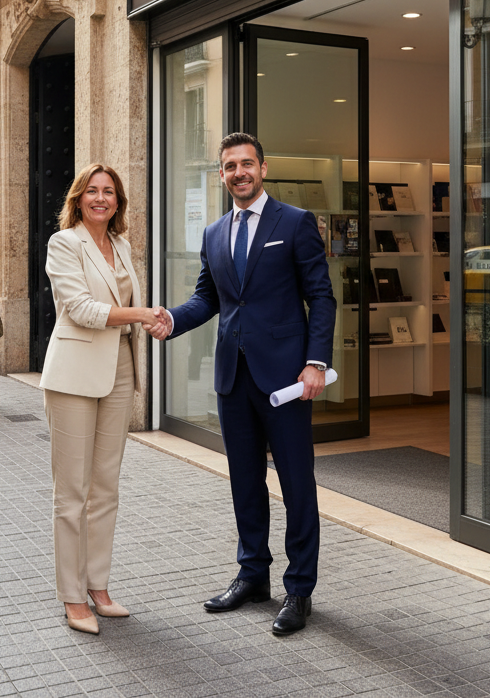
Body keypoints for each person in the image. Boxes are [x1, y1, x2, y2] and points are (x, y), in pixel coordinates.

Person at [151, 133, 336, 636]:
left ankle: (300, 589)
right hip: (233, 376)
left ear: (263, 168)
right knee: (244, 482)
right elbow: (207, 298)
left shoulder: (295, 223)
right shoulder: (214, 233)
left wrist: (316, 362)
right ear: (221, 175)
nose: (239, 173)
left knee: (297, 484)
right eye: (230, 166)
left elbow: (321, 297)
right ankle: (253, 574)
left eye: (246, 164)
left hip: (286, 380)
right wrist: (171, 319)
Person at [40, 163, 161, 636]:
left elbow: (124, 312)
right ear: (78, 198)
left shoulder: (124, 245)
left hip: (119, 369)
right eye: (92, 190)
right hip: (73, 375)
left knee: (106, 486)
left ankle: (99, 586)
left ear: (118, 201)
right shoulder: (64, 243)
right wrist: (143, 314)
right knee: (72, 492)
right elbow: (80, 309)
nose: (100, 198)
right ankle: (72, 596)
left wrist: (147, 320)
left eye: (109, 191)